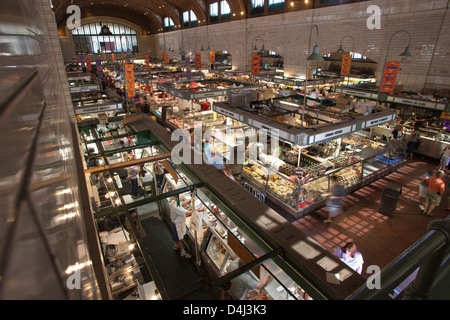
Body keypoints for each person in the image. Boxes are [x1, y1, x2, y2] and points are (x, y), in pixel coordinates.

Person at [169, 194, 205, 258]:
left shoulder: (173, 202)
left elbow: (180, 203)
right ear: (175, 198)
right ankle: (182, 252)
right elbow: (189, 212)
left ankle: (176, 245)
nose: (181, 200)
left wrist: (189, 201)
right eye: (180, 199)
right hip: (177, 226)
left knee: (177, 238)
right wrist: (199, 209)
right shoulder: (177, 208)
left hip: (176, 223)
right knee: (179, 239)